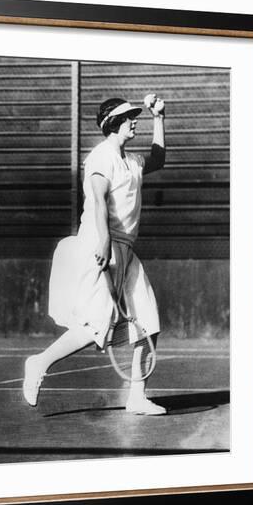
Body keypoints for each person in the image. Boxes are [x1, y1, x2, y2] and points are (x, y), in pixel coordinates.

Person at [23, 95, 166, 415]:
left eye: (135, 116)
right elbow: (100, 202)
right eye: (130, 116)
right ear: (114, 123)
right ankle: (39, 363)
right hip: (99, 244)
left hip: (127, 249)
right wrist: (103, 242)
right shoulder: (101, 157)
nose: (135, 120)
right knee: (95, 326)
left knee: (148, 321)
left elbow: (157, 159)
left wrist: (160, 118)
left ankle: (137, 397)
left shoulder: (132, 162)